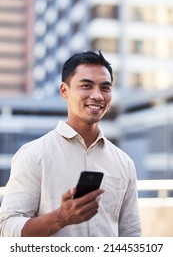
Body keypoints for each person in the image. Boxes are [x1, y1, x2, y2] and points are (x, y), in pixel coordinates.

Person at [0, 51, 141, 237]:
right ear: (64, 91)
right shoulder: (34, 154)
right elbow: (7, 228)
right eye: (86, 86)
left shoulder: (124, 163)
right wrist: (61, 217)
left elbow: (130, 234)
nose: (97, 96)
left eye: (105, 88)